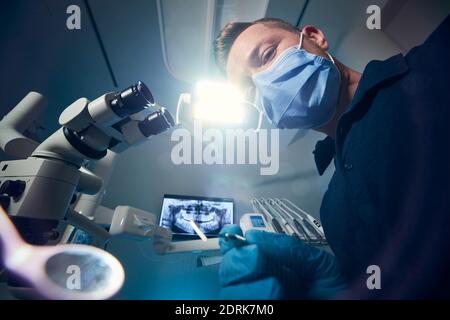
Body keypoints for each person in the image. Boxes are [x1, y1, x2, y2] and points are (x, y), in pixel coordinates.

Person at [214, 15, 450, 299]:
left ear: (314, 37)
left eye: (266, 55)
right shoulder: (333, 212)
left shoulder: (438, 58)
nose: (263, 86)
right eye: (249, 91)